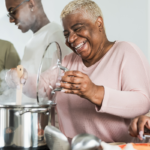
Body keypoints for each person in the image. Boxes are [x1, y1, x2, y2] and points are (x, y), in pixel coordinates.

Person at [5, 0, 150, 143]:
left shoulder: (125, 52)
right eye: (67, 33)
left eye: (78, 28)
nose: (71, 39)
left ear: (99, 23)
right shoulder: (67, 60)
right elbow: (43, 87)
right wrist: (22, 78)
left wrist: (94, 92)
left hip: (118, 147)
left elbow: (142, 102)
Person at [5, 0, 71, 73]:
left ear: (31, 5)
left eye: (13, 12)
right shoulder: (28, 45)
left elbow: (70, 76)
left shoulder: (56, 34)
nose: (11, 20)